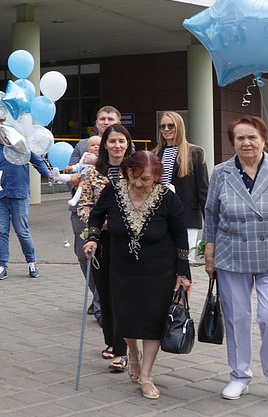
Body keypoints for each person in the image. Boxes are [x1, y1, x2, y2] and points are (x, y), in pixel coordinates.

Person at [203, 116, 268, 403]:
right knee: (237, 317)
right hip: (231, 252)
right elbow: (210, 215)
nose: (246, 143)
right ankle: (239, 375)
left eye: (252, 137)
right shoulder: (221, 172)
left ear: (263, 138)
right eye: (239, 138)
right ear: (232, 142)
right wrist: (208, 252)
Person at [84, 152, 191, 400]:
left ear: (156, 178)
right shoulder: (113, 190)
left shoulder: (167, 198)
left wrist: (183, 273)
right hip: (121, 266)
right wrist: (93, 238)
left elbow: (180, 234)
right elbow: (97, 215)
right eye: (135, 177)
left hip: (159, 268)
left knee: (154, 320)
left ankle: (146, 375)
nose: (140, 184)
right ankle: (132, 351)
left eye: (146, 179)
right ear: (126, 172)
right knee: (125, 315)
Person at [76, 123, 134, 372]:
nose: (117, 146)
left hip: (130, 241)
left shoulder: (136, 169)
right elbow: (83, 204)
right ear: (105, 146)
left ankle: (123, 351)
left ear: (128, 144)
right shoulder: (92, 173)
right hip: (101, 240)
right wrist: (98, 223)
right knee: (106, 294)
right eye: (112, 141)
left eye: (121, 141)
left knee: (124, 295)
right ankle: (111, 340)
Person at [68, 106, 121, 321]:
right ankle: (98, 294)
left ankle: (102, 304)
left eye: (110, 118)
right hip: (84, 209)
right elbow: (70, 172)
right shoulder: (82, 145)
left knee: (107, 257)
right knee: (83, 255)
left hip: (114, 214)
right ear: (96, 122)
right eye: (102, 118)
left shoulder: (125, 144)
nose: (106, 122)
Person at [0, 120, 53, 280]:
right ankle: (2, 265)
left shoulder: (22, 145)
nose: (3, 129)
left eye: (7, 125)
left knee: (22, 231)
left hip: (20, 194)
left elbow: (38, 162)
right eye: (0, 126)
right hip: (0, 196)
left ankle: (31, 262)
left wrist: (49, 175)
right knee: (1, 232)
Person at [152, 111, 209, 265]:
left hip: (187, 217)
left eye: (171, 125)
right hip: (160, 215)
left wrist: (210, 224)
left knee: (184, 264)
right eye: (162, 126)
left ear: (180, 127)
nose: (166, 129)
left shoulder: (195, 153)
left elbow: (203, 190)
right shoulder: (154, 154)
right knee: (162, 262)